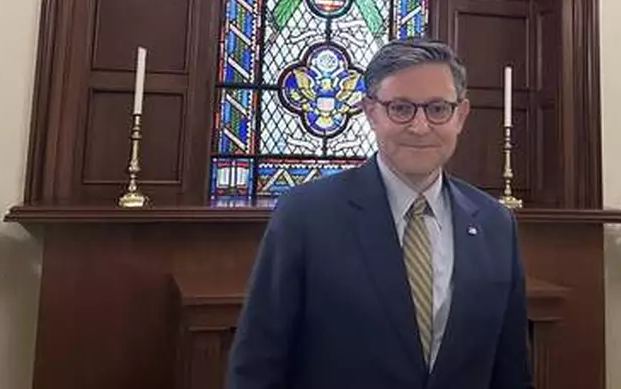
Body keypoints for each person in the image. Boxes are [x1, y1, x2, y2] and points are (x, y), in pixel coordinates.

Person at [226, 37, 532, 389]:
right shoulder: (306, 216)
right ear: (371, 112)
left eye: (437, 109)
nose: (420, 127)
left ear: (461, 115)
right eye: (401, 108)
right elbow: (257, 366)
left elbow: (511, 371)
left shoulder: (495, 224)